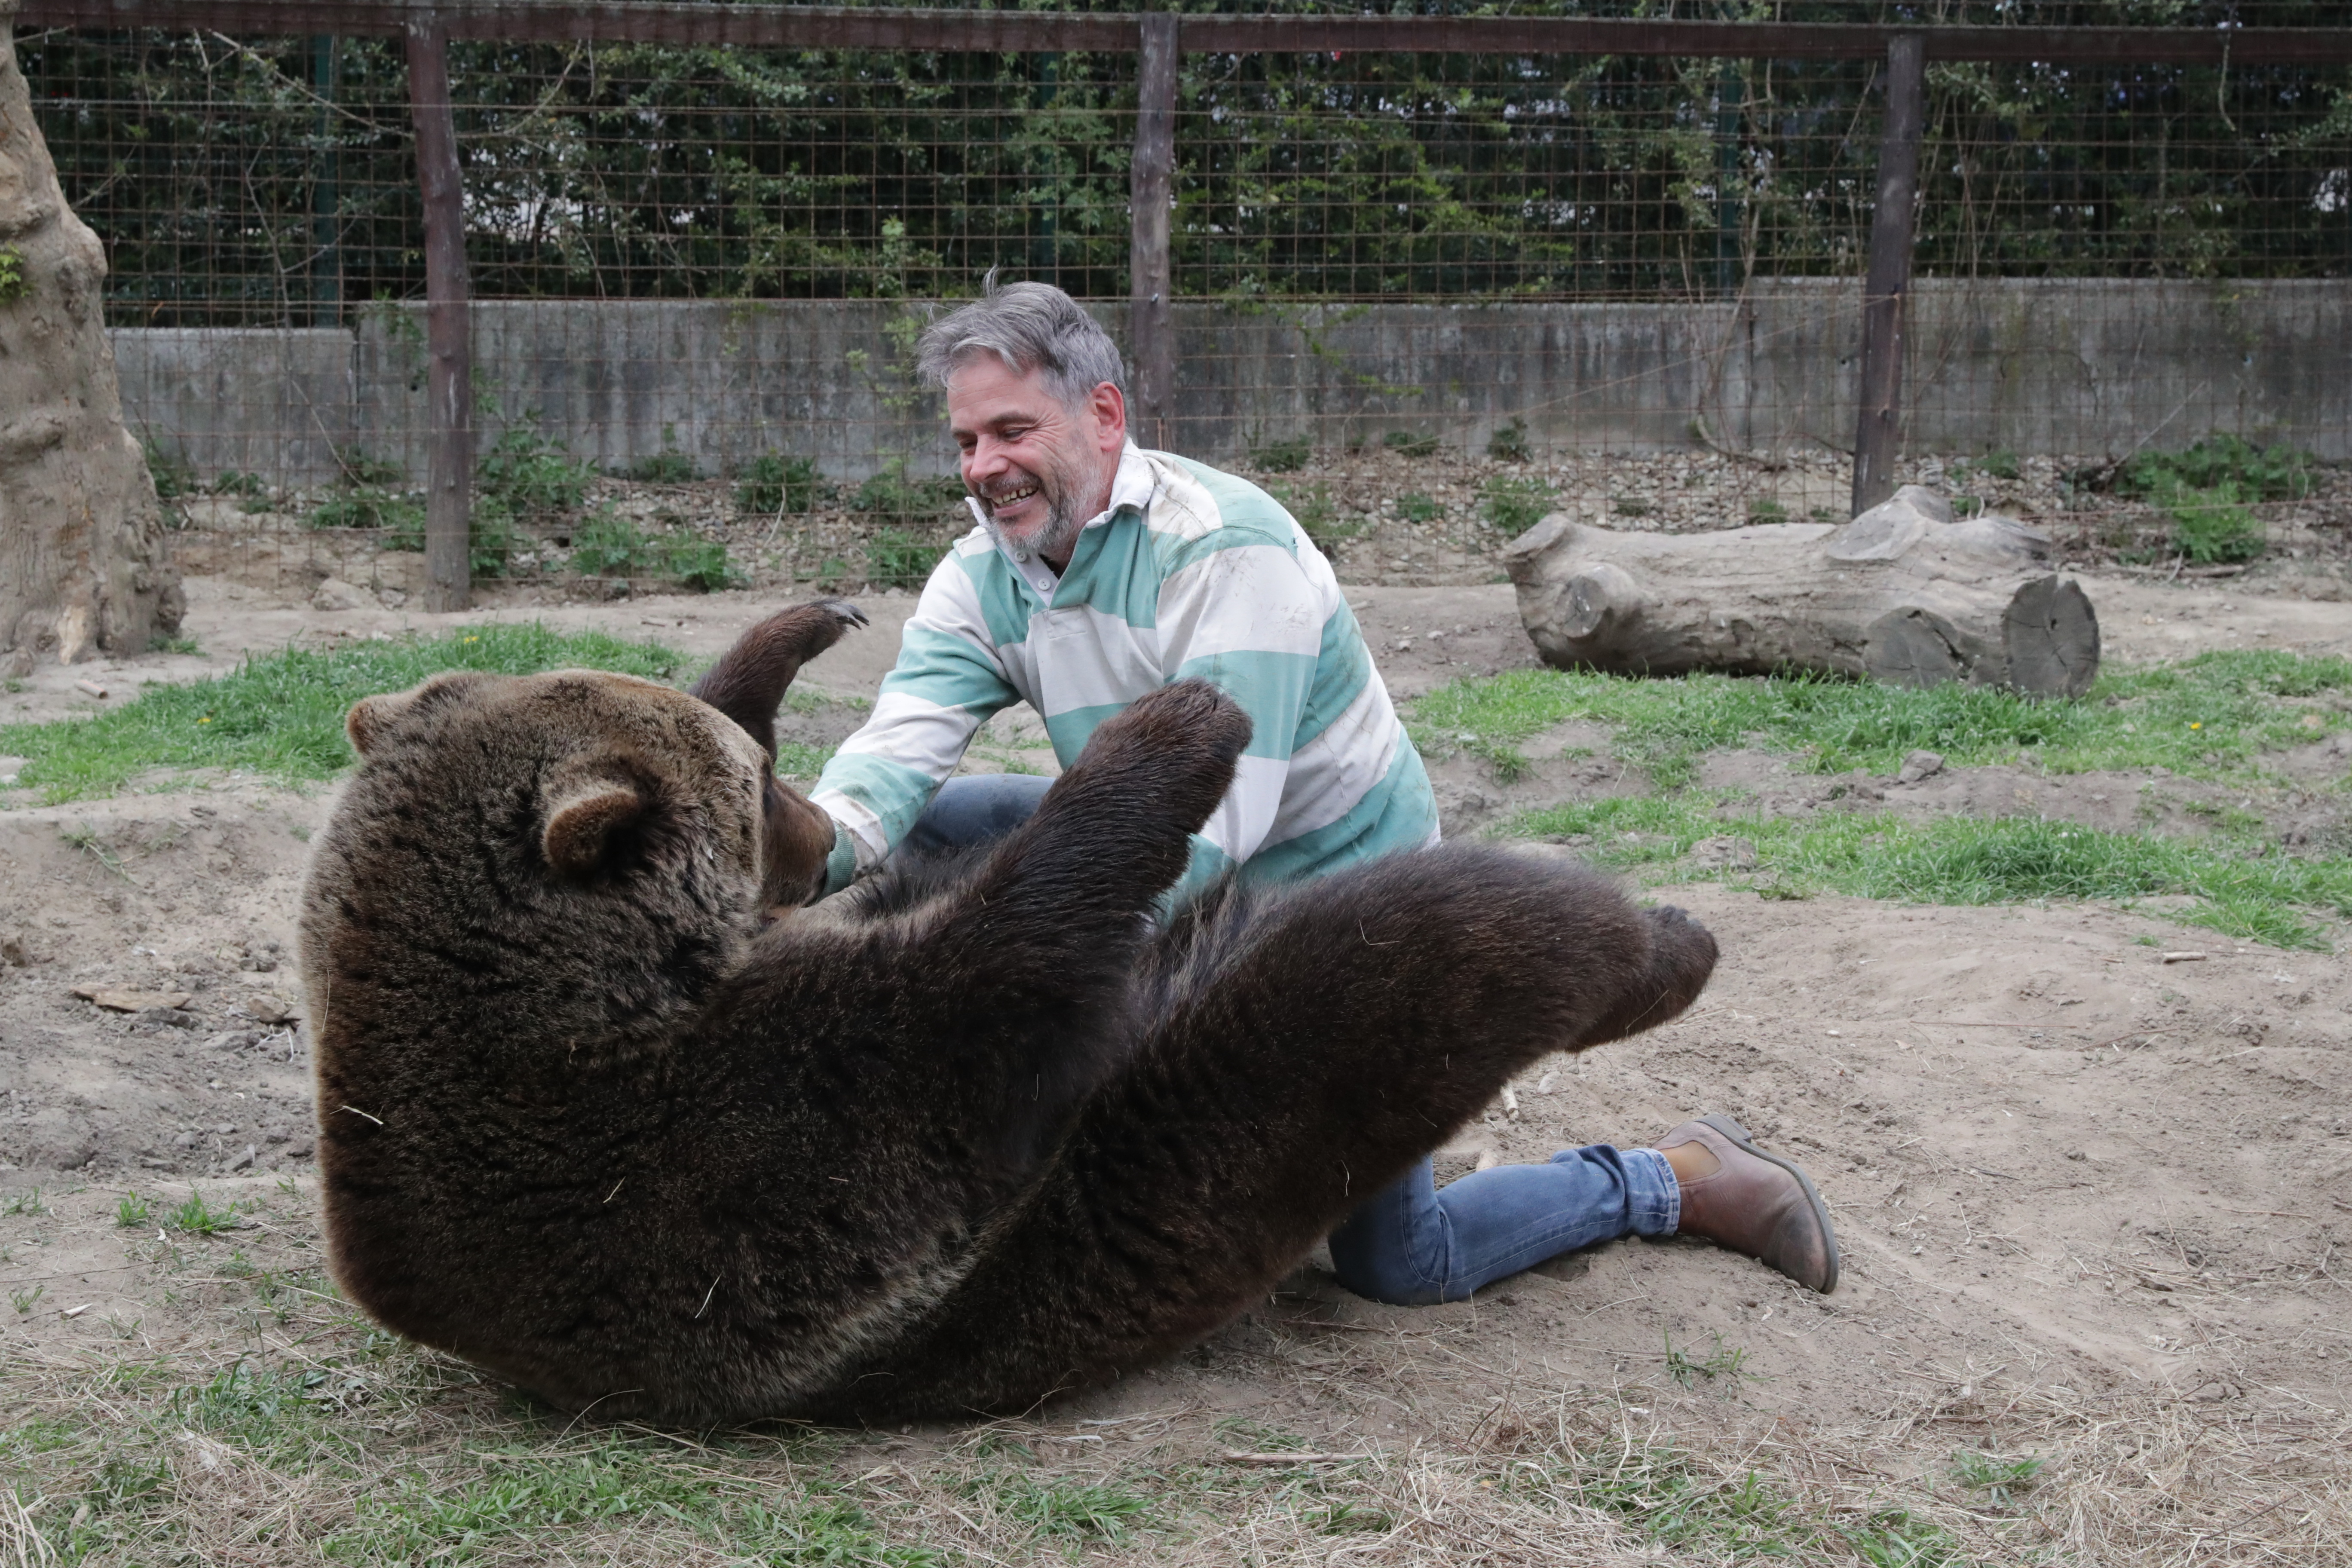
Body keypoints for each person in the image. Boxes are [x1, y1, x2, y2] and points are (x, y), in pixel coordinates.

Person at [805, 280, 1839, 1303]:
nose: (983, 468)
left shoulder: (1226, 550)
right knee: (937, 825)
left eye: (1010, 430)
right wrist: (806, 848)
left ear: (1104, 415)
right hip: (1149, 845)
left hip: (1339, 906)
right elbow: (894, 754)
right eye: (965, 442)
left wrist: (1025, 997)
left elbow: (1213, 834)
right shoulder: (982, 573)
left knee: (1403, 1263)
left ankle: (1672, 1177)